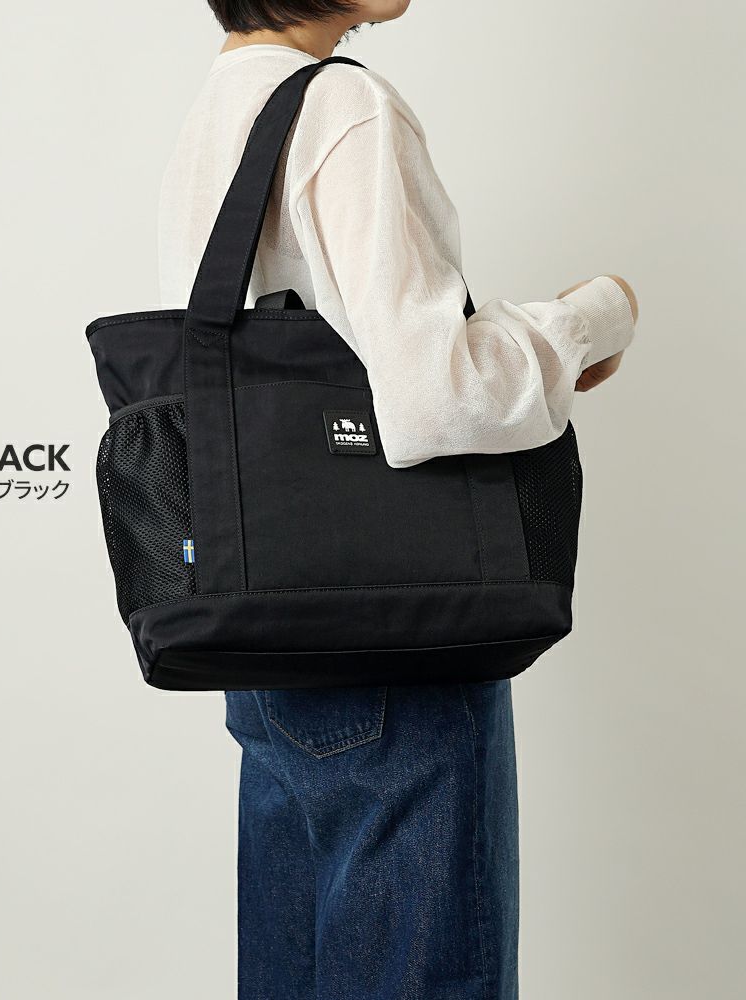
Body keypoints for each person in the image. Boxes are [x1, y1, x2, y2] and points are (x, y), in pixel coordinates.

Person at [157, 3, 639, 998]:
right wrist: (589, 320)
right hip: (396, 647)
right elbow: (438, 398)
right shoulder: (343, 109)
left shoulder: (219, 104)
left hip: (265, 644)